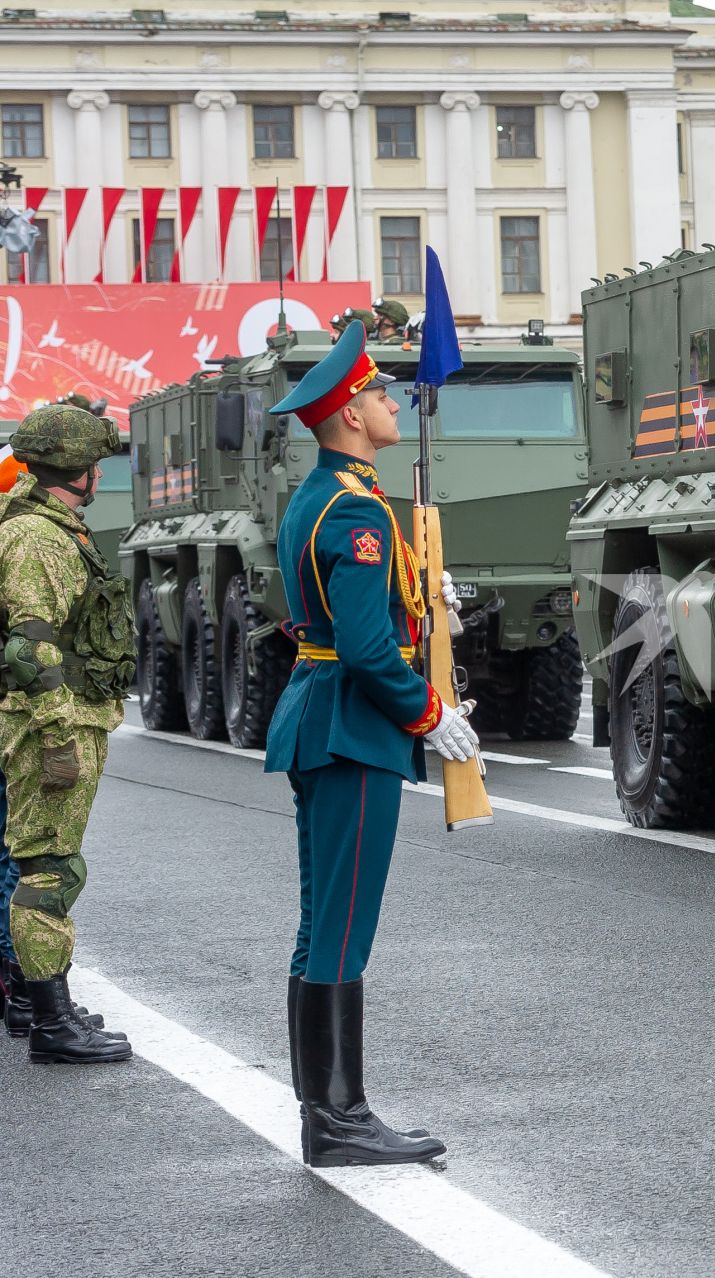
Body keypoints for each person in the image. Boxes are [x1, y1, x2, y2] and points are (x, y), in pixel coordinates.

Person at [264, 319, 479, 1167]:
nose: (393, 404)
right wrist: (430, 715)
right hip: (353, 727)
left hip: (321, 716)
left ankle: (327, 1113)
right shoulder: (355, 511)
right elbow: (360, 644)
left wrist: (421, 591)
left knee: (322, 925)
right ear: (351, 414)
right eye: (380, 395)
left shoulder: (322, 498)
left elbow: (337, 617)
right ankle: (340, 1117)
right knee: (344, 926)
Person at [0, 403, 135, 1064]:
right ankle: (50, 1023)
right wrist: (55, 735)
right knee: (47, 871)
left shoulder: (56, 528)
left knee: (54, 867)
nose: (100, 473)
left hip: (73, 717)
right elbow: (32, 644)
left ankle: (47, 1003)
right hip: (52, 724)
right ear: (77, 469)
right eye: (95, 463)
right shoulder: (37, 538)